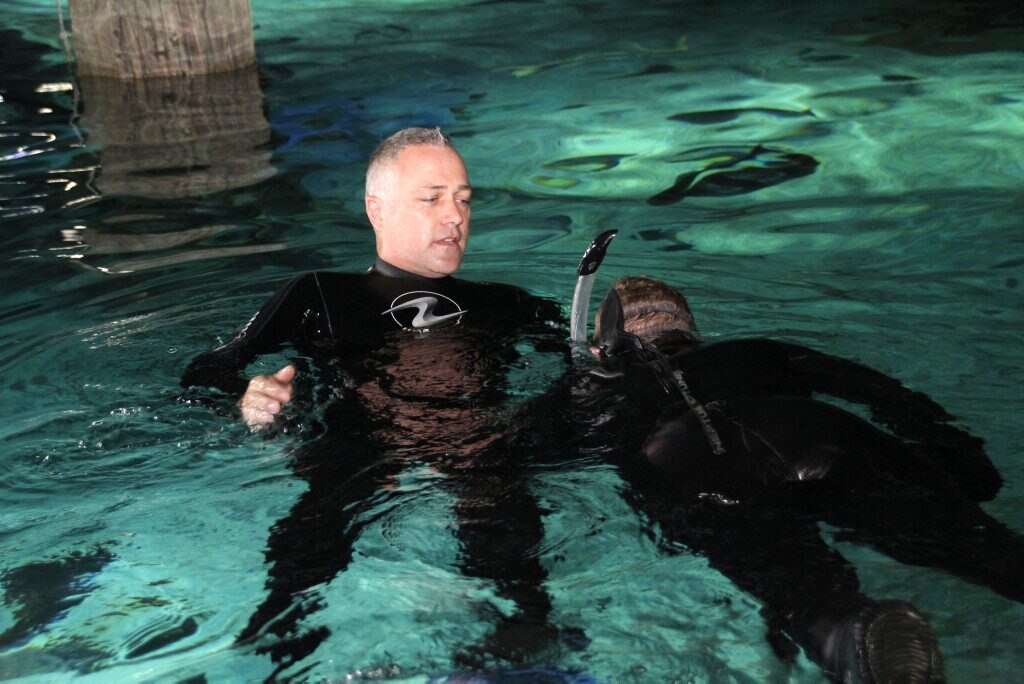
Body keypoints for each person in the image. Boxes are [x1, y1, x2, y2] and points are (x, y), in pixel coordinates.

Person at [180, 127, 569, 677]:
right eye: (431, 198)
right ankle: (278, 650)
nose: (455, 216)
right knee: (313, 537)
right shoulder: (321, 295)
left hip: (475, 450)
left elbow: (583, 363)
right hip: (362, 451)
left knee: (513, 546)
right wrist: (246, 394)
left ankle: (528, 643)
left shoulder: (507, 304)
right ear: (376, 209)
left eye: (463, 199)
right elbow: (204, 369)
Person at [519, 275, 1021, 683]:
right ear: (690, 327)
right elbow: (887, 394)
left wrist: (575, 399)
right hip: (813, 428)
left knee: (801, 585)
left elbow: (504, 458)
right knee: (981, 547)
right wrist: (959, 458)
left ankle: (849, 632)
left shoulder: (586, 391)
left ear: (603, 345)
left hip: (689, 456)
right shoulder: (760, 350)